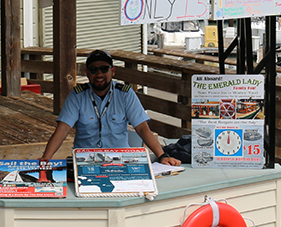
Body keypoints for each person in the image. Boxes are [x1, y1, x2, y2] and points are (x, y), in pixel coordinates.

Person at [39, 50, 181, 166]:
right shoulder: (77, 95)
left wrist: (162, 155)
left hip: (121, 159)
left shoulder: (125, 94)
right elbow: (63, 129)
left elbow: (142, 128)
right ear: (87, 73)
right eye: (93, 70)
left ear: (113, 71)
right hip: (86, 161)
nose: (99, 74)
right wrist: (46, 159)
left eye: (104, 69)